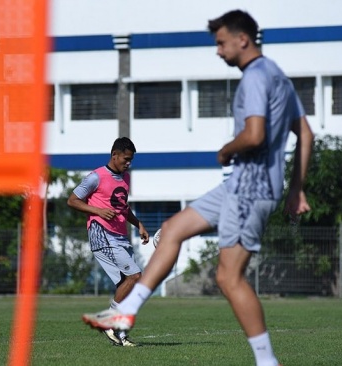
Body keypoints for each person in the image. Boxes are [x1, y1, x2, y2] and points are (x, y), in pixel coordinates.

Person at [82, 9, 314, 366]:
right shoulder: (278, 76)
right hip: (243, 186)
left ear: (243, 39)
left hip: (250, 190)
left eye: (221, 43)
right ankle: (124, 313)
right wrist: (296, 188)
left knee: (228, 277)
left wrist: (226, 149)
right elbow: (306, 135)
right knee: (171, 230)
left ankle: (267, 361)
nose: (218, 51)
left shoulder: (255, 77)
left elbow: (254, 135)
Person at [67, 137, 150, 347]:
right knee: (134, 276)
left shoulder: (125, 178)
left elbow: (123, 207)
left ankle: (119, 335)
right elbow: (72, 200)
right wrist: (97, 210)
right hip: (101, 233)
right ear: (115, 155)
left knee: (128, 284)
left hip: (120, 235)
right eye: (126, 159)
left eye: (131, 160)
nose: (128, 163)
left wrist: (138, 223)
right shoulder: (96, 177)